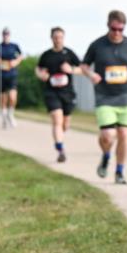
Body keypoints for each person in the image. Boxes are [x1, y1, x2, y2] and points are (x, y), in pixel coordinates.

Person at [81, 11, 127, 185]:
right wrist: (91, 74)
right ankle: (105, 156)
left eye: (120, 29)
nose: (117, 32)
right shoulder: (97, 45)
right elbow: (84, 66)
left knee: (125, 134)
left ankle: (119, 171)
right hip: (105, 96)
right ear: (108, 26)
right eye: (114, 28)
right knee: (108, 135)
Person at [36, 27, 81, 163]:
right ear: (51, 38)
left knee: (65, 124)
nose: (58, 40)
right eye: (55, 37)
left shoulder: (69, 53)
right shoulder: (46, 55)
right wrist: (41, 75)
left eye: (60, 37)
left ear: (63, 38)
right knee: (57, 120)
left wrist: (71, 69)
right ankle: (60, 150)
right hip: (52, 92)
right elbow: (38, 69)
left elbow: (82, 69)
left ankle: (59, 138)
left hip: (67, 93)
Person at [0, 27, 22, 128]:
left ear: (9, 35)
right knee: (2, 98)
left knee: (12, 97)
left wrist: (16, 62)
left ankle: (11, 114)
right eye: (4, 34)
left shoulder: (14, 46)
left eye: (7, 34)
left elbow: (20, 56)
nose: (6, 36)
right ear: (2, 35)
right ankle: (4, 116)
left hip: (12, 74)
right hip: (1, 75)